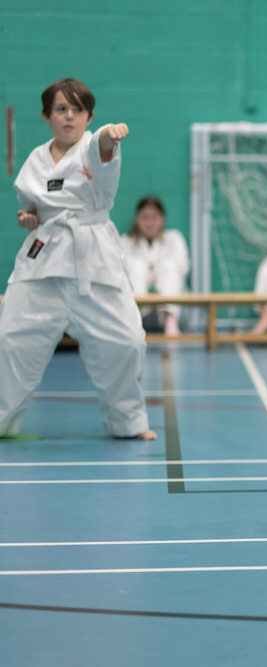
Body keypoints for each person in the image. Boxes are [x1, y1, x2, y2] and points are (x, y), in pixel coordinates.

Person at [0, 78, 155, 440]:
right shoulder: (36, 160)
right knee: (10, 338)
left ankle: (128, 421)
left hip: (93, 257)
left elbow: (103, 154)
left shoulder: (94, 148)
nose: (69, 116)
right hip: (44, 260)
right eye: (61, 109)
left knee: (128, 340)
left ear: (89, 117)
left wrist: (107, 136)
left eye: (78, 110)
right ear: (46, 116)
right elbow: (32, 209)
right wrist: (29, 219)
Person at [120, 196, 189, 336]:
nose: (149, 223)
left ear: (162, 218)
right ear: (137, 218)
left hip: (173, 312)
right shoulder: (125, 242)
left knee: (170, 266)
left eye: (154, 217)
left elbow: (183, 268)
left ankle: (171, 321)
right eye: (144, 217)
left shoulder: (174, 239)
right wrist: (146, 274)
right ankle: (134, 324)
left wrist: (158, 273)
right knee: (136, 266)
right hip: (138, 313)